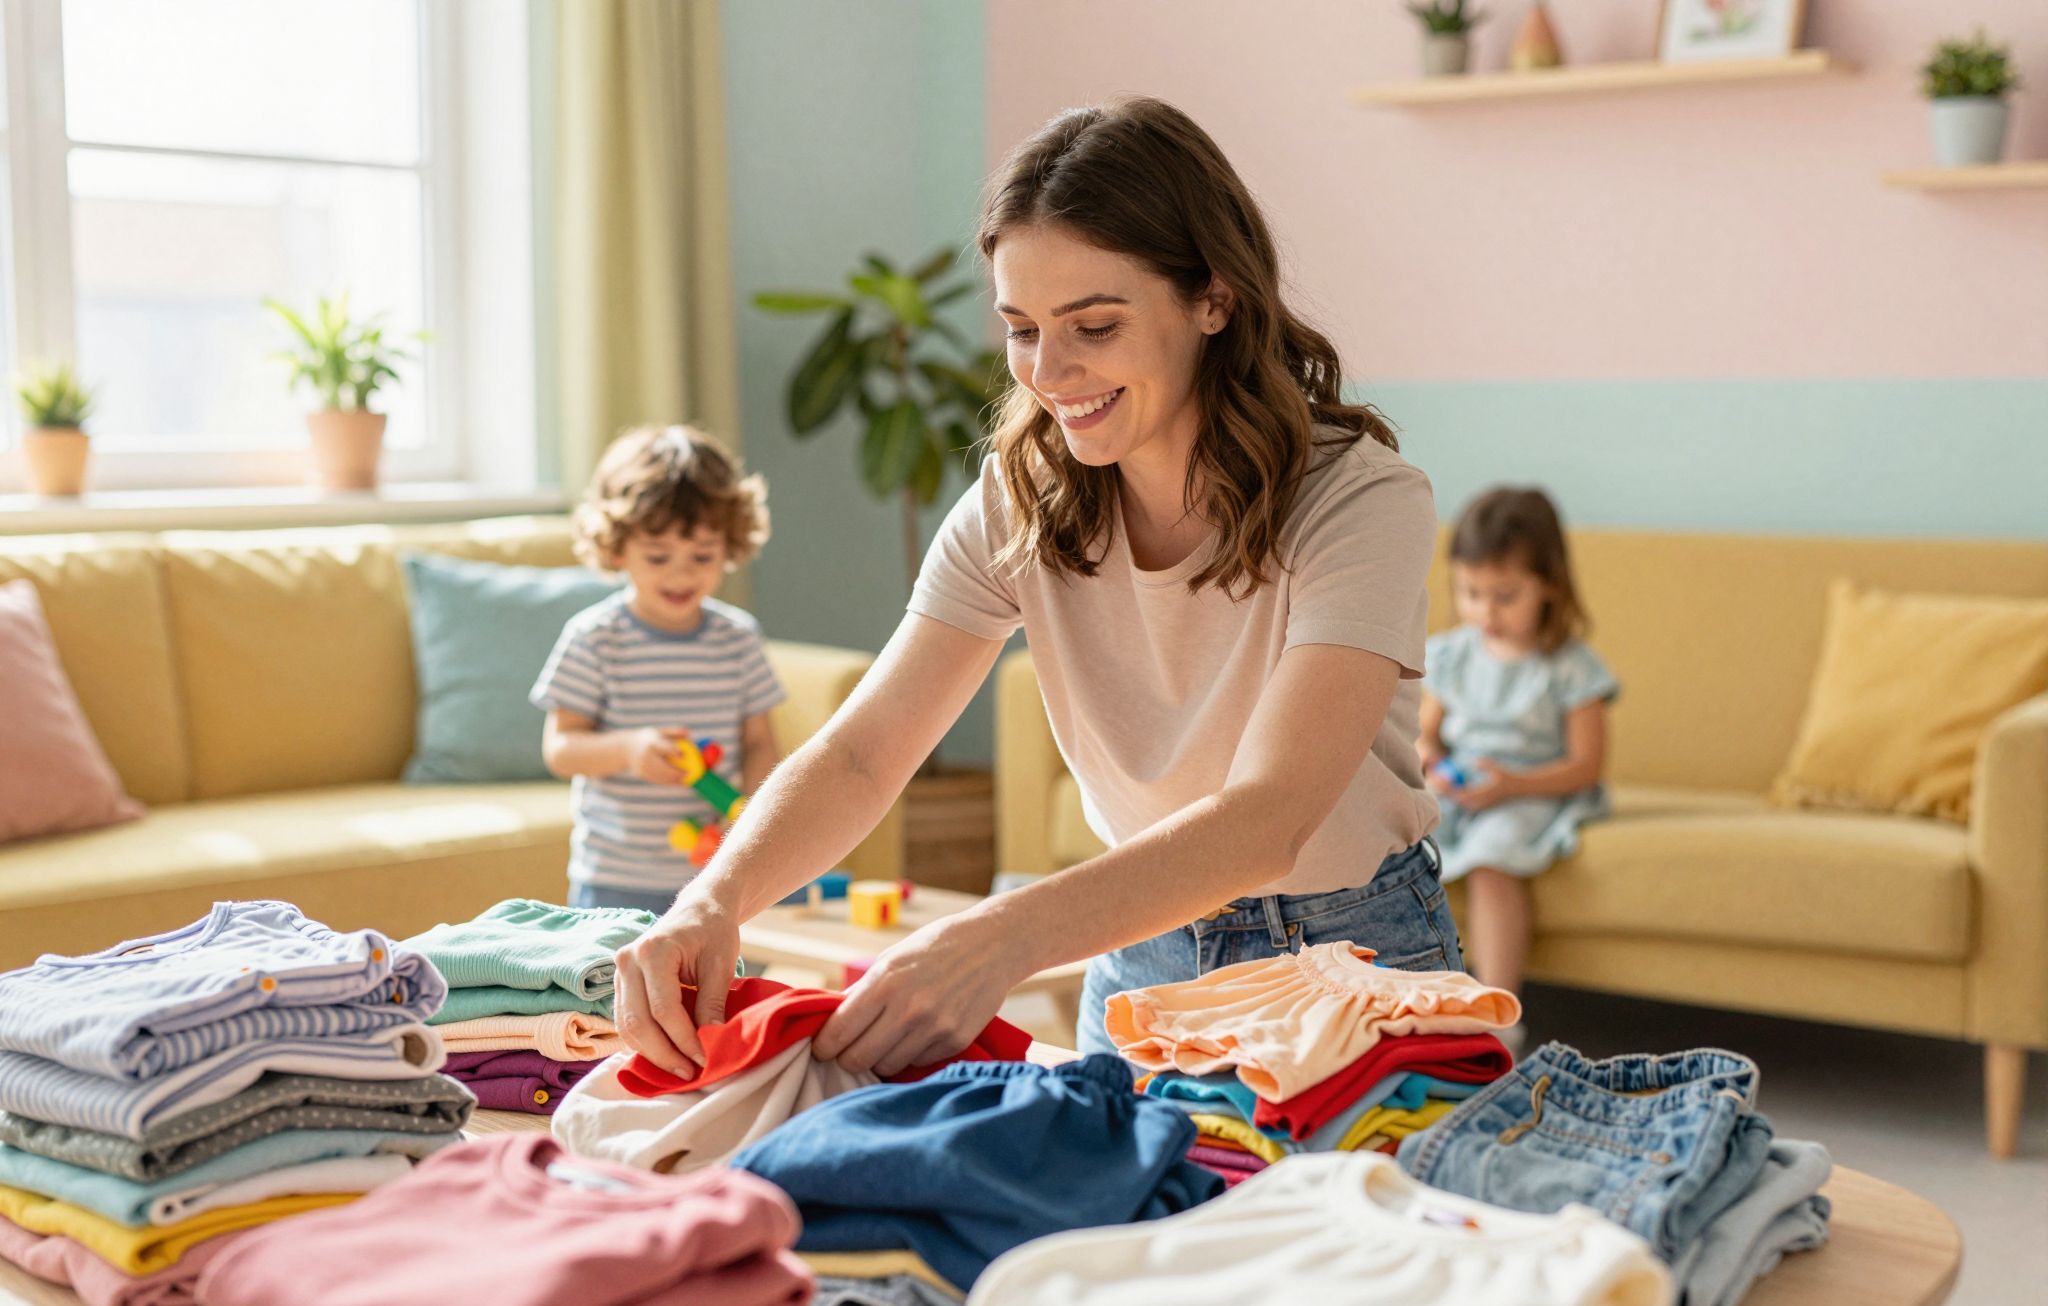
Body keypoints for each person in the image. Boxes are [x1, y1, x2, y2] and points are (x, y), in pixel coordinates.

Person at [611, 96, 1461, 1077]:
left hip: (1348, 955)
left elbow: (1268, 816)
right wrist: (711, 902)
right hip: (1139, 954)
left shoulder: (1359, 500)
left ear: (1214, 299)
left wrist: (998, 937)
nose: (1049, 372)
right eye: (1021, 329)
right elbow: (862, 756)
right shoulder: (1019, 500)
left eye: (1093, 325)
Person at [532, 424, 785, 918]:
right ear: (616, 547)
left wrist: (748, 821)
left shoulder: (738, 639)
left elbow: (760, 743)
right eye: (657, 556)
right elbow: (560, 750)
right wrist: (628, 749)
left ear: (730, 544)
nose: (681, 573)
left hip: (715, 875)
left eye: (703, 555)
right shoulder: (595, 638)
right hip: (614, 878)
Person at [1418, 486, 1617, 997]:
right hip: (1463, 787)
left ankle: (1498, 1005)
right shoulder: (1453, 656)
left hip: (1535, 790)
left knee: (1492, 859)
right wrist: (1434, 764)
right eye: (1470, 593)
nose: (1486, 612)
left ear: (1548, 584)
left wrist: (1511, 786)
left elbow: (1586, 766)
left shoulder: (1570, 667)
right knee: (1401, 842)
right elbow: (1424, 736)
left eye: (1505, 597)